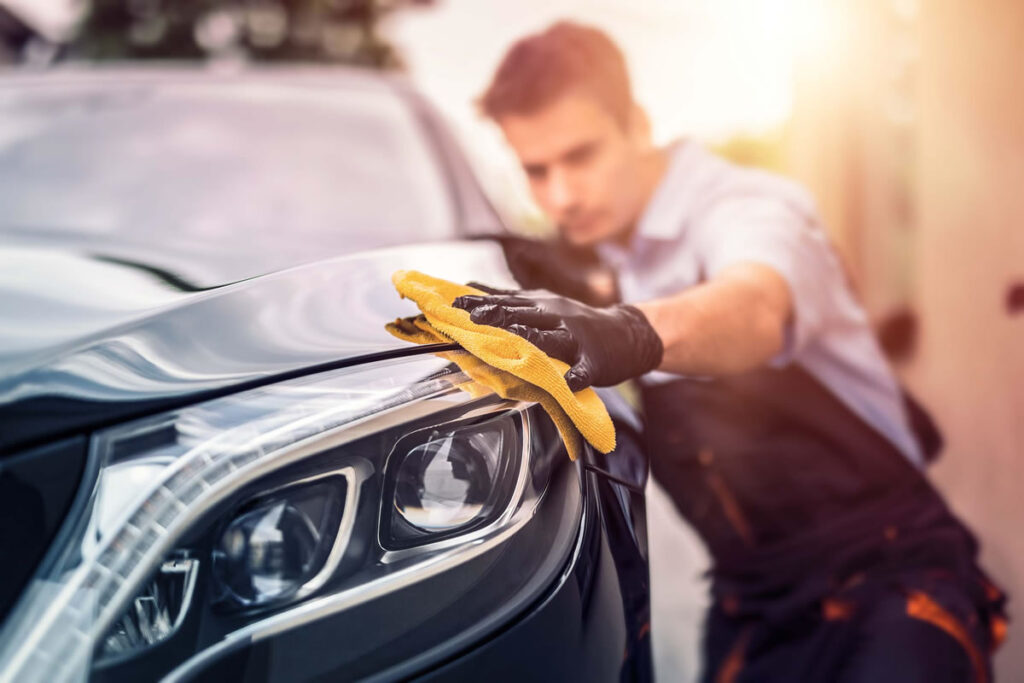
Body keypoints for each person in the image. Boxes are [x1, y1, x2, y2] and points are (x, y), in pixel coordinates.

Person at [454, 21, 1007, 683]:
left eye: (580, 156)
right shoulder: (613, 253)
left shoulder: (747, 205)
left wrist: (628, 331)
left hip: (889, 585)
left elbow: (756, 305)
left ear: (637, 123)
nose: (561, 195)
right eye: (536, 170)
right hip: (754, 608)